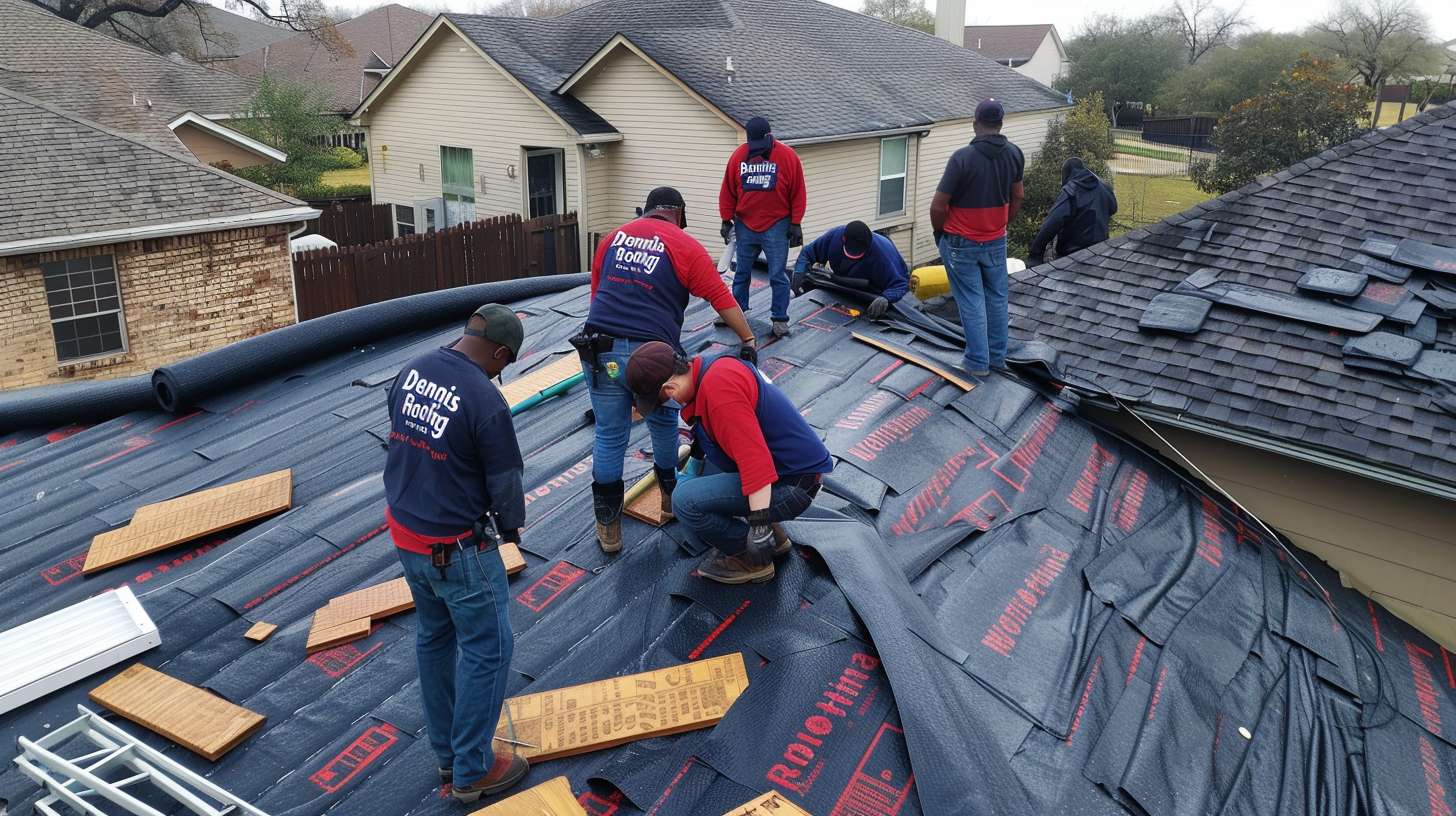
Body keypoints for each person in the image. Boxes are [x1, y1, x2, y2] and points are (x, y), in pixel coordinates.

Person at [382, 304, 529, 804]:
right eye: (503, 366)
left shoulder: (414, 368)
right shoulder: (485, 399)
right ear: (501, 353)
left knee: (435, 640)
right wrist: (510, 529)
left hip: (406, 537)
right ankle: (471, 771)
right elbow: (505, 480)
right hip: (458, 550)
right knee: (489, 650)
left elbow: (401, 429)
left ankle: (447, 756)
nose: (500, 374)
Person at [578, 186, 757, 555]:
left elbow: (597, 296)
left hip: (600, 348)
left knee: (610, 435)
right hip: (652, 354)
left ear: (647, 210)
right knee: (662, 425)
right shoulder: (684, 246)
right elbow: (721, 299)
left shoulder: (613, 238)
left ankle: (609, 532)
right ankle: (668, 503)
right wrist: (749, 339)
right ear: (679, 213)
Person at [625, 341, 832, 585]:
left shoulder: (720, 391)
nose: (667, 404)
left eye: (662, 399)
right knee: (702, 478)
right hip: (788, 472)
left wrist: (758, 530)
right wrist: (694, 464)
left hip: (792, 484)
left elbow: (756, 464)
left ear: (670, 388)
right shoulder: (708, 371)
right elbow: (717, 442)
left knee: (685, 500)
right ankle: (776, 539)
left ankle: (753, 558)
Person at [930, 98, 1024, 377]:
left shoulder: (962, 158)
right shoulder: (1014, 153)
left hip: (962, 242)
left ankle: (976, 363)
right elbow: (1018, 196)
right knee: (997, 297)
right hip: (996, 240)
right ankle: (997, 359)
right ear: (1001, 124)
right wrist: (1002, 224)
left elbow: (938, 205)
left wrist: (940, 233)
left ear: (975, 124)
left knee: (971, 300)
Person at [719, 115, 807, 338]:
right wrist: (725, 218)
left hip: (777, 224)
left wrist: (795, 223)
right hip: (745, 223)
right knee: (741, 272)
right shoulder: (739, 156)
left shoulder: (788, 157)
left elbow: (798, 192)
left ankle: (779, 319)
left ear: (770, 137)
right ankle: (735, 312)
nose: (756, 151)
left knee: (777, 274)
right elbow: (728, 189)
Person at [790, 220, 909, 319]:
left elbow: (901, 283)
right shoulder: (834, 237)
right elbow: (807, 253)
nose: (853, 257)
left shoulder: (883, 254)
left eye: (858, 254)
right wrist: (799, 273)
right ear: (843, 240)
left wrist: (886, 298)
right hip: (843, 284)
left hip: (872, 291)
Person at [1027, 157, 1118, 265]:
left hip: (1072, 255)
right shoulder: (1103, 187)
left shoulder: (1071, 191)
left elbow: (1052, 222)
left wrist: (1035, 254)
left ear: (1066, 174)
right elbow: (1113, 208)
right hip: (1101, 250)